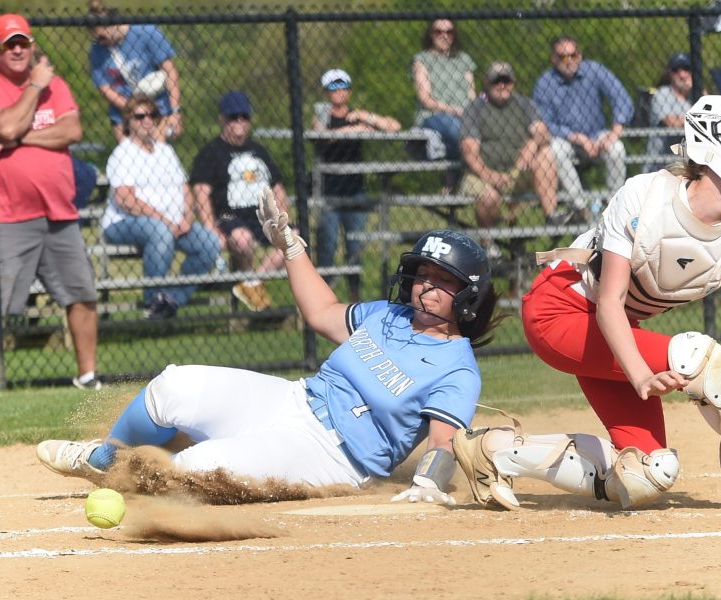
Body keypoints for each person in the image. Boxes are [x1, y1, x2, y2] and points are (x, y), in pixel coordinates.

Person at [451, 95, 721, 515]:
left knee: (650, 473)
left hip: (617, 332)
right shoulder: (645, 194)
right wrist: (639, 372)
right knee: (702, 359)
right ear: (713, 141)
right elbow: (608, 302)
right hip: (560, 310)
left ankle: (493, 453)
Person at [36, 193, 503, 506]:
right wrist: (291, 246)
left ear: (467, 296)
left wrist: (430, 482)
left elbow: (444, 443)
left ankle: (133, 484)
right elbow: (322, 312)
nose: (426, 286)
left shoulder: (457, 370)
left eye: (443, 280)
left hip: (336, 457)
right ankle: (105, 456)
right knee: (175, 385)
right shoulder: (388, 315)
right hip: (295, 399)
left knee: (198, 465)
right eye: (423, 273)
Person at [0, 13, 101, 390]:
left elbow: (72, 130)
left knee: (81, 292)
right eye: (9, 43)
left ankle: (88, 376)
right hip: (8, 215)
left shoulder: (55, 84)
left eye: (22, 42)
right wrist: (34, 89)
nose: (17, 49)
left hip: (60, 211)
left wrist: (20, 139)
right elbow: (5, 126)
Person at [102, 95, 221, 319]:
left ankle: (172, 300)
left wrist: (187, 216)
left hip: (174, 224)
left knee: (209, 242)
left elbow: (186, 188)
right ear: (128, 122)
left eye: (152, 116)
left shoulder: (165, 152)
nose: (147, 121)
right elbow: (125, 200)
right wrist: (164, 221)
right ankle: (153, 300)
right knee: (159, 232)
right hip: (122, 223)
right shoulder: (123, 153)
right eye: (140, 117)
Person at [191, 91, 290, 312]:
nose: (239, 122)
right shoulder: (211, 152)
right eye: (233, 117)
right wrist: (210, 229)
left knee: (295, 240)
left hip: (262, 215)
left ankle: (252, 283)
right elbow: (200, 192)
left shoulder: (259, 151)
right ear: (222, 119)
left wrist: (283, 214)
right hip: (229, 216)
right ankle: (254, 291)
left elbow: (278, 188)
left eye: (243, 116)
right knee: (243, 240)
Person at [311, 70, 401, 302]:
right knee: (327, 248)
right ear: (326, 92)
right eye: (333, 87)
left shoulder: (358, 116)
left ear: (349, 91)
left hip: (355, 191)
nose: (338, 91)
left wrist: (366, 118)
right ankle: (323, 300)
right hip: (329, 193)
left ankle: (355, 299)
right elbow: (321, 136)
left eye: (342, 86)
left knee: (355, 248)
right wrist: (352, 130)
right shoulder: (322, 115)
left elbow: (394, 127)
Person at [532, 35, 633, 215]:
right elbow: (545, 121)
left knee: (617, 149)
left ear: (580, 55)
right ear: (553, 59)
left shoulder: (594, 70)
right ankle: (579, 208)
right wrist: (575, 137)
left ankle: (614, 207)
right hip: (566, 138)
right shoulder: (545, 82)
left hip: (598, 134)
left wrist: (614, 132)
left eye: (574, 55)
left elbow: (622, 98)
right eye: (563, 57)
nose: (569, 60)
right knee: (555, 149)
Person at [459, 61, 564, 228]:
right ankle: (488, 244)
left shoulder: (524, 104)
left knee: (545, 154)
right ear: (486, 83)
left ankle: (552, 216)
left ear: (513, 83)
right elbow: (469, 152)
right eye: (496, 81)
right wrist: (489, 175)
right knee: (489, 198)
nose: (502, 85)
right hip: (480, 174)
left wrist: (532, 143)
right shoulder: (475, 108)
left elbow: (543, 133)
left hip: (516, 173)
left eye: (506, 81)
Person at [86, 0, 182, 142]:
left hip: (157, 108)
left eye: (102, 37)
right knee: (128, 159)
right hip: (123, 113)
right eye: (96, 39)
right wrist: (132, 108)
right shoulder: (97, 50)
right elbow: (105, 89)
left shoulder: (146, 32)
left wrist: (175, 111)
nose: (100, 43)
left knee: (157, 155)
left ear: (112, 25)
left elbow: (170, 71)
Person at [411, 17, 476, 167]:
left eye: (449, 32)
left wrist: (472, 112)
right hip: (434, 116)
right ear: (430, 34)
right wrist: (455, 110)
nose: (444, 35)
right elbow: (426, 99)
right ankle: (455, 178)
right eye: (438, 31)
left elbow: (472, 95)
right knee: (458, 131)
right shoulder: (421, 60)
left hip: (464, 116)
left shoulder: (464, 59)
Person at [645, 52, 696, 173]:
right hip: (661, 165)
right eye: (676, 70)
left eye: (686, 69)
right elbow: (671, 122)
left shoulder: (696, 96)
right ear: (670, 74)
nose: (682, 74)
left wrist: (700, 90)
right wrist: (697, 122)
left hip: (689, 165)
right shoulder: (662, 94)